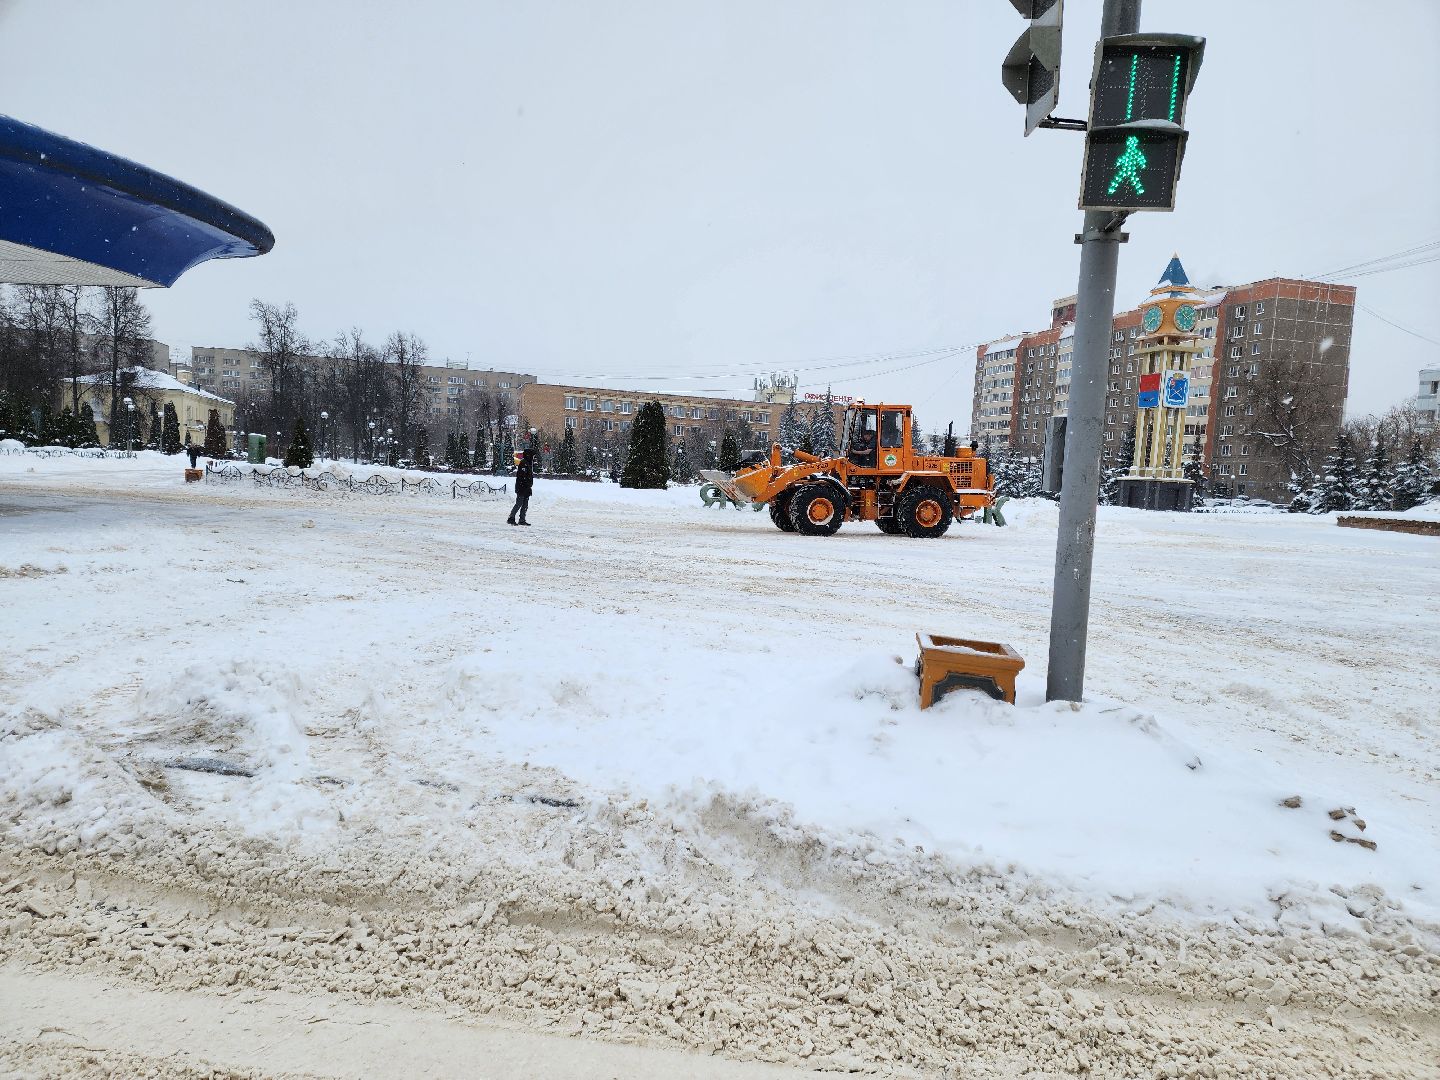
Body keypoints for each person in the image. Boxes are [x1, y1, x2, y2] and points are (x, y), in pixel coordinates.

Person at [508, 447, 534, 526]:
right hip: (522, 487)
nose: (533, 458)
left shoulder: (528, 463)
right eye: (532, 456)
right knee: (519, 503)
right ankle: (511, 518)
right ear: (528, 455)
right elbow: (522, 476)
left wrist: (529, 485)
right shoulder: (523, 463)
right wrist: (526, 484)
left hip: (526, 488)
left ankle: (522, 519)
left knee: (525, 505)